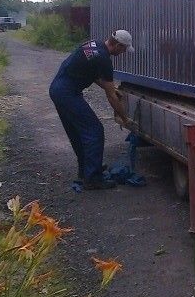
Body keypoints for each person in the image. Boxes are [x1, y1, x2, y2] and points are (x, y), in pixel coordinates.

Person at [49, 30, 135, 190]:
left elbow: (92, 74)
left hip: (58, 88)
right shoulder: (104, 59)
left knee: (77, 132)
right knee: (94, 130)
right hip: (67, 93)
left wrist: (109, 87)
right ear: (117, 45)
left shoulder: (94, 45)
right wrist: (125, 118)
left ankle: (86, 170)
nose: (123, 53)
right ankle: (93, 178)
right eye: (123, 49)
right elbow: (111, 97)